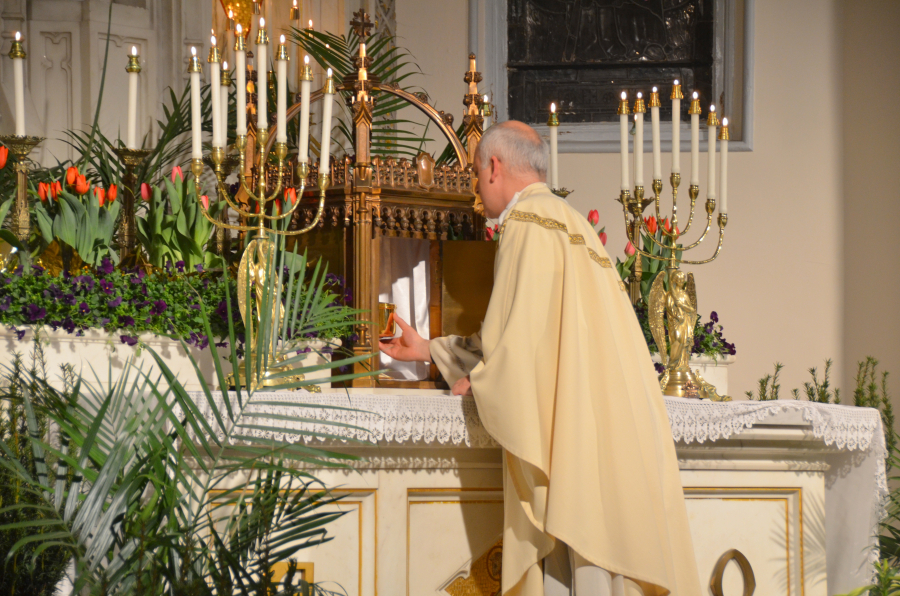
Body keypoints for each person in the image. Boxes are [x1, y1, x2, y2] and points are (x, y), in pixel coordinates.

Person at [380, 121, 702, 596]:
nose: (475, 187)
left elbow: (513, 347)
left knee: (567, 563)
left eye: (474, 174)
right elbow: (533, 333)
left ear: (493, 168)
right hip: (606, 426)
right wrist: (430, 349)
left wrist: (480, 380)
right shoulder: (577, 227)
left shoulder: (525, 225)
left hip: (564, 434)